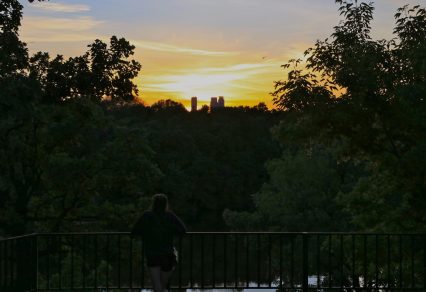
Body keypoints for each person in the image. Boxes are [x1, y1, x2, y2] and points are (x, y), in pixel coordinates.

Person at [131, 194, 186, 292]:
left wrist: (146, 233)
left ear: (153, 203)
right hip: (168, 254)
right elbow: (182, 230)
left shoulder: (147, 216)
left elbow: (134, 231)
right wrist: (170, 231)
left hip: (152, 254)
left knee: (157, 284)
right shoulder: (169, 216)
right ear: (166, 204)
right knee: (162, 284)